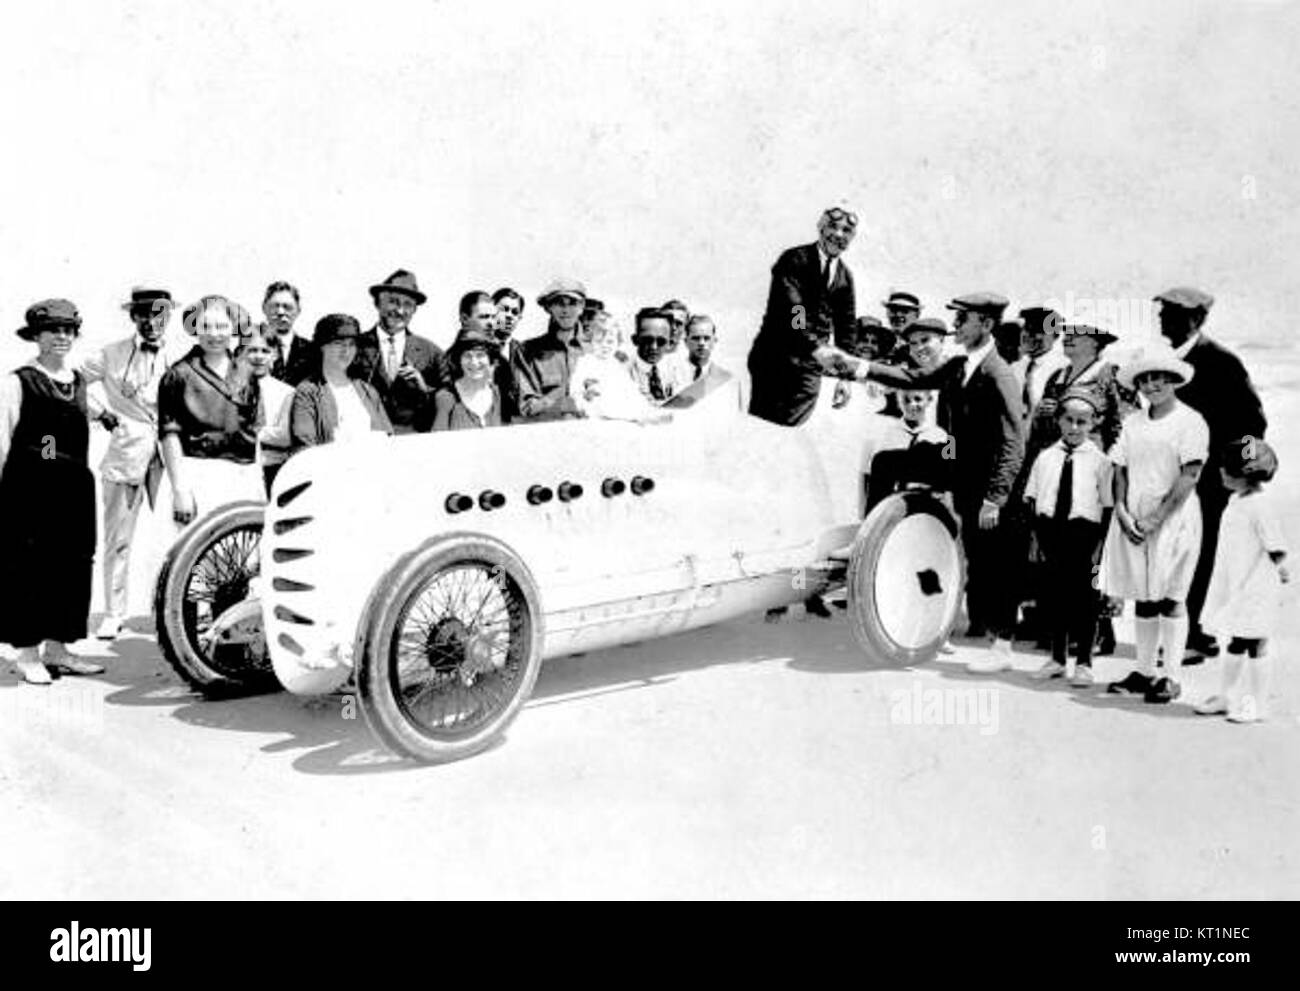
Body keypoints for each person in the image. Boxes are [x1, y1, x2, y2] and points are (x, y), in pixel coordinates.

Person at [847, 293, 1023, 672]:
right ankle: (872, 536)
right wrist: (858, 367)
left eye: (964, 319)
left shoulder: (999, 373)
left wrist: (996, 497)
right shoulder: (960, 364)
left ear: (987, 325)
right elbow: (914, 377)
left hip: (988, 483)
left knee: (990, 560)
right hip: (956, 462)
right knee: (886, 461)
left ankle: (1003, 646)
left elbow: (1014, 441)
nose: (956, 324)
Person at [1153, 287, 1268, 662]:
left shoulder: (1222, 363)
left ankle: (1186, 634)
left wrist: (1234, 471)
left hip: (1207, 485)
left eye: (1174, 314)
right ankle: (1192, 631)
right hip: (1171, 479)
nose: (1163, 319)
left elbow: (1254, 421)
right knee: (1175, 553)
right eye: (1163, 312)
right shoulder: (1168, 362)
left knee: (1196, 556)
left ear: (1198, 319)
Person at [1, 300, 106, 683]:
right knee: (30, 569)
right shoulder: (19, 381)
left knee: (73, 568)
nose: (62, 336)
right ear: (37, 337)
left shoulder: (77, 381)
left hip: (73, 488)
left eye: (68, 330)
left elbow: (86, 411)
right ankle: (27, 653)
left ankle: (59, 649)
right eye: (54, 330)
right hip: (30, 490)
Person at [1099, 343, 1208, 705]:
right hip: (1134, 518)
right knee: (1143, 597)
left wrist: (1156, 518)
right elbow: (1120, 469)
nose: (1152, 386)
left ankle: (1171, 677)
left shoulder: (1190, 421)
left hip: (1173, 518)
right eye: (1145, 380)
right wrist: (1123, 512)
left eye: (1160, 379)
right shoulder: (1133, 422)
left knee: (1171, 597)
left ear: (1175, 380)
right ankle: (1145, 672)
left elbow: (1190, 474)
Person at [79, 286, 187, 639]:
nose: (151, 321)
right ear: (133, 316)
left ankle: (178, 612)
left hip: (173, 457)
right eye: (144, 314)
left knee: (182, 532)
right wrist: (101, 413)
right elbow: (72, 381)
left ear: (168, 316)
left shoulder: (184, 354)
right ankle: (113, 613)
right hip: (126, 455)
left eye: (159, 314)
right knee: (118, 539)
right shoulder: (111, 354)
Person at [1194, 439, 1289, 723]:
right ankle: (1227, 696)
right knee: (1236, 640)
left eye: (1228, 470)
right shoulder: (1236, 500)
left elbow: (1276, 546)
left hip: (1257, 585)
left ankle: (1259, 704)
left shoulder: (1260, 505)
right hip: (1237, 582)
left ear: (1245, 475)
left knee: (1255, 641)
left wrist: (1282, 571)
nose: (1221, 471)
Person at [1023, 390, 1114, 687]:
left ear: (1093, 424)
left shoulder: (1101, 462)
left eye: (1082, 422)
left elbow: (1108, 505)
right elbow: (1033, 499)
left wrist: (1101, 550)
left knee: (1086, 600)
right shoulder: (1045, 457)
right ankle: (1057, 659)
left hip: (1085, 536)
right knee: (1053, 598)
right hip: (1052, 533)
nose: (1075, 427)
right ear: (1059, 421)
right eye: (1069, 420)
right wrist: (1037, 540)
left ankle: (1085, 662)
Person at [158, 296, 264, 527]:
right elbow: (169, 435)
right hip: (196, 475)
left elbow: (256, 429)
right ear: (195, 329)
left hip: (241, 478)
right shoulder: (178, 375)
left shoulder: (247, 373)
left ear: (233, 329)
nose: (214, 334)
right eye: (206, 326)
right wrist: (180, 491)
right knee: (195, 555)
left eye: (221, 326)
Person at [746, 205, 857, 426]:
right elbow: (794, 311)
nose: (839, 235)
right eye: (833, 227)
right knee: (761, 431)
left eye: (846, 231)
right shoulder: (794, 259)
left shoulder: (845, 277)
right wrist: (816, 347)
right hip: (774, 361)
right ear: (820, 228)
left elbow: (847, 329)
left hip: (808, 370)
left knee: (791, 433)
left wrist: (846, 377)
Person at [351, 269, 443, 433]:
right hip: (365, 441)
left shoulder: (432, 353)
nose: (400, 311)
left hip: (412, 446)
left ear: (415, 310)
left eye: (408, 304)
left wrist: (424, 388)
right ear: (378, 303)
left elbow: (447, 403)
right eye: (393, 301)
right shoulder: (354, 347)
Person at [290, 314, 392, 449]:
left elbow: (388, 439)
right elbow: (305, 445)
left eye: (351, 345)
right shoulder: (308, 391)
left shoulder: (368, 391)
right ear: (322, 346)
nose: (346, 351)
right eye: (338, 344)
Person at [512, 278, 589, 421]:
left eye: (572, 303)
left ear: (582, 306)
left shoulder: (595, 350)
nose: (565, 310)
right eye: (559, 303)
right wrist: (563, 402)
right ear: (548, 307)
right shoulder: (527, 351)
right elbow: (527, 407)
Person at [862, 389, 950, 514]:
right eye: (906, 400)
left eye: (918, 399)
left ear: (929, 400)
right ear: (898, 401)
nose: (912, 405)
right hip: (894, 508)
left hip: (928, 509)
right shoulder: (887, 435)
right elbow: (870, 480)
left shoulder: (941, 436)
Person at [237, 325, 296, 493]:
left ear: (275, 354)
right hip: (240, 468)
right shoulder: (232, 391)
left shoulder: (287, 392)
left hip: (273, 468)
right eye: (252, 350)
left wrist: (247, 432)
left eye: (265, 351)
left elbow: (285, 436)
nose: (258, 357)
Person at [570, 312, 659, 421]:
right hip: (597, 411)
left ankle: (647, 414)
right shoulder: (586, 362)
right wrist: (583, 396)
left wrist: (644, 403)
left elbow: (629, 389)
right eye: (599, 341)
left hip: (618, 406)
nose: (605, 346)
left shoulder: (615, 365)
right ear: (589, 342)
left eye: (610, 342)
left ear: (617, 343)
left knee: (637, 404)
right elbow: (576, 389)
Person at [433, 327, 507, 430]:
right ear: (458, 360)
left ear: (490, 359)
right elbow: (436, 442)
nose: (474, 362)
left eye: (480, 355)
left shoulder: (497, 394)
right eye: (467, 356)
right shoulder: (446, 397)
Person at [1013, 306, 1068, 426]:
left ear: (1055, 336)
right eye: (1027, 329)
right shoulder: (1015, 367)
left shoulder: (1064, 369)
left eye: (1038, 331)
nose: (1029, 335)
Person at [628, 308, 692, 405]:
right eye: (647, 340)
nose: (654, 347)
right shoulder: (623, 373)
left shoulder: (680, 372)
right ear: (635, 340)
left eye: (661, 342)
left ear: (670, 343)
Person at [259, 281, 314, 385]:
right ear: (264, 308)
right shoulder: (248, 348)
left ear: (298, 310)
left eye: (287, 307)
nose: (280, 312)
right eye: (274, 306)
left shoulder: (312, 352)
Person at [491, 287, 526, 420]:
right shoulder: (475, 350)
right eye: (504, 309)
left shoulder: (526, 354)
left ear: (520, 318)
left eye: (515, 312)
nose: (509, 316)